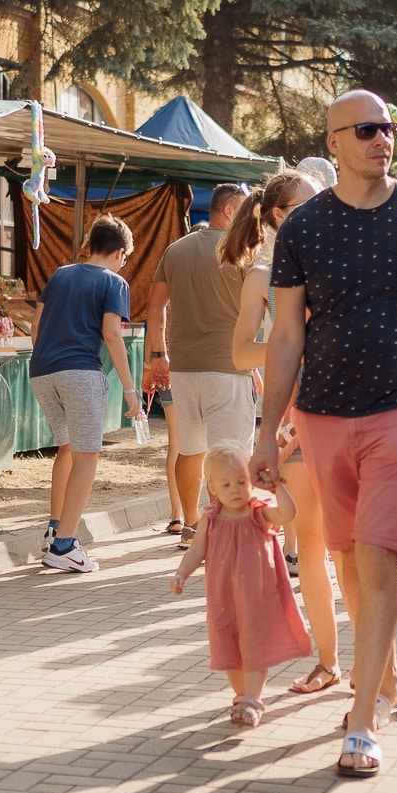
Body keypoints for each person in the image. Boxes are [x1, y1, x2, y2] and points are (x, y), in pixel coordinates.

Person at [254, 89, 397, 779]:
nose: (383, 138)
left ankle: (360, 722)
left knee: (378, 557)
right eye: (366, 130)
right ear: (333, 142)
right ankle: (387, 675)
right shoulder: (303, 228)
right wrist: (267, 432)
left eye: (387, 129)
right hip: (322, 416)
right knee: (348, 557)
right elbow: (286, 336)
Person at [225, 168, 342, 696]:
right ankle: (328, 662)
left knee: (353, 550)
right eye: (308, 205)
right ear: (279, 215)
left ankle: (377, 672)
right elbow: (239, 353)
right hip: (293, 414)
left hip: (349, 407)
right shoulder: (261, 276)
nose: (324, 211)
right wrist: (290, 346)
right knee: (313, 548)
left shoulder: (340, 257)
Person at [29, 214, 145, 574]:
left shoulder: (61, 274)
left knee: (67, 448)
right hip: (80, 372)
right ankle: (64, 545)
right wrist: (130, 389)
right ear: (120, 253)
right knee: (87, 456)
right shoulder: (115, 282)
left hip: (42, 371)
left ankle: (55, 529)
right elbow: (112, 334)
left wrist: (50, 358)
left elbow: (36, 326)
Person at [170, 441, 312, 726]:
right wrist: (181, 573)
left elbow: (288, 514)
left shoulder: (258, 512)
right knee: (230, 648)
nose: (235, 489)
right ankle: (241, 695)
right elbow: (196, 550)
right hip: (224, 599)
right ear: (212, 487)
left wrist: (278, 486)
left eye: (241, 482)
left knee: (255, 646)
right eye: (226, 484)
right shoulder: (210, 518)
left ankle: (252, 699)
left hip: (257, 598)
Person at [145, 184, 254, 547]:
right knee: (230, 454)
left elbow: (154, 306)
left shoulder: (175, 249)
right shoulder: (241, 252)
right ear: (229, 211)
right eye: (244, 211)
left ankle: (192, 525)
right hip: (228, 367)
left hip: (184, 368)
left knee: (190, 449)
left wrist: (157, 356)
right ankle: (223, 528)